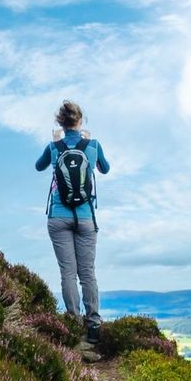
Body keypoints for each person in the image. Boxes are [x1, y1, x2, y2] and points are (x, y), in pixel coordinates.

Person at [35, 100, 110, 339]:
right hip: (86, 217)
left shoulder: (54, 146)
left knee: (67, 273)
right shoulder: (93, 145)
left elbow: (38, 167)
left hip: (58, 216)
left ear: (60, 122)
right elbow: (105, 168)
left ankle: (73, 323)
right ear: (80, 121)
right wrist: (89, 142)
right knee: (87, 272)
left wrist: (55, 141)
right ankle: (93, 325)